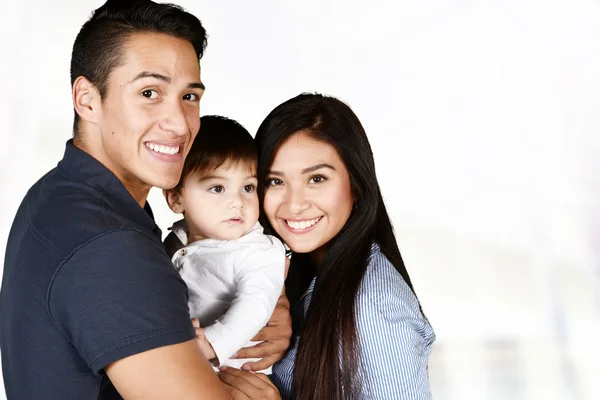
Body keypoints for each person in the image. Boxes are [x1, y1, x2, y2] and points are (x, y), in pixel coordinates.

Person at [0, 1, 290, 399]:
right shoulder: (109, 245)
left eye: (189, 97)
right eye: (149, 92)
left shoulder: (61, 193)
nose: (178, 124)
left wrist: (264, 303)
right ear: (87, 100)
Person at [228, 92, 435, 400]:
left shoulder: (372, 307)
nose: (294, 205)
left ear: (356, 183)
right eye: (275, 181)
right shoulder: (294, 273)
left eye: (316, 179)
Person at [162, 115, 286, 374]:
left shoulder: (259, 251)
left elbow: (256, 304)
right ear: (176, 199)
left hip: (234, 374)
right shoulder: (175, 242)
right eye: (218, 188)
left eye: (248, 187)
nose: (237, 202)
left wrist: (213, 342)